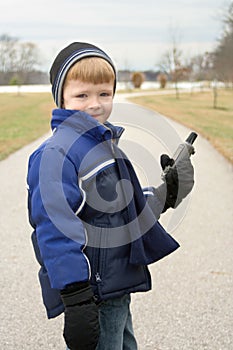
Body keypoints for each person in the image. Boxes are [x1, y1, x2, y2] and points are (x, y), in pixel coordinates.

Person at [27, 42, 195, 350]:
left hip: (116, 286)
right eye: (82, 95)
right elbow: (54, 229)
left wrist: (167, 191)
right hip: (93, 292)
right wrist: (76, 297)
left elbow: (120, 207)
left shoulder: (101, 145)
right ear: (61, 97)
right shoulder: (57, 153)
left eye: (104, 94)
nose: (95, 104)